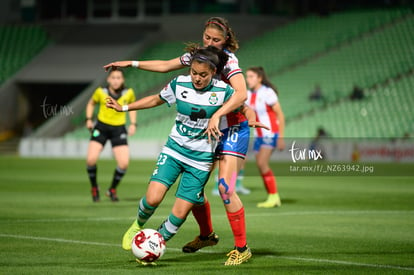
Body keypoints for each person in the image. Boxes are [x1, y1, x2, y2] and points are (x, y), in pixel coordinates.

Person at [103, 17, 260, 265]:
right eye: (207, 38)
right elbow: (166, 65)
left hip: (231, 130)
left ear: (226, 40)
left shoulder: (229, 62)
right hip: (207, 133)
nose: (210, 42)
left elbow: (241, 96)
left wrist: (231, 115)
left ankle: (242, 248)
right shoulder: (199, 58)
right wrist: (131, 63)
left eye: (216, 40)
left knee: (225, 188)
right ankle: (207, 235)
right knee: (195, 192)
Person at [85, 68, 137, 202]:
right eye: (113, 78)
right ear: (108, 79)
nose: (115, 80)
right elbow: (91, 103)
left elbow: (132, 107)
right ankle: (94, 187)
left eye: (118, 78)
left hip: (118, 129)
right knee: (91, 160)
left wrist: (133, 123)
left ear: (123, 80)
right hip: (101, 127)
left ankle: (112, 189)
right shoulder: (100, 92)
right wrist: (89, 119)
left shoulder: (128, 93)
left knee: (124, 163)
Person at [245, 67, 285, 208]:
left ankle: (274, 196)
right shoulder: (249, 94)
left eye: (251, 76)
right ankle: (272, 196)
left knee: (262, 163)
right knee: (260, 165)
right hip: (258, 135)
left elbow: (280, 115)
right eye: (247, 76)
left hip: (270, 133)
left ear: (259, 78)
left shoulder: (268, 93)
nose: (247, 79)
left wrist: (281, 137)